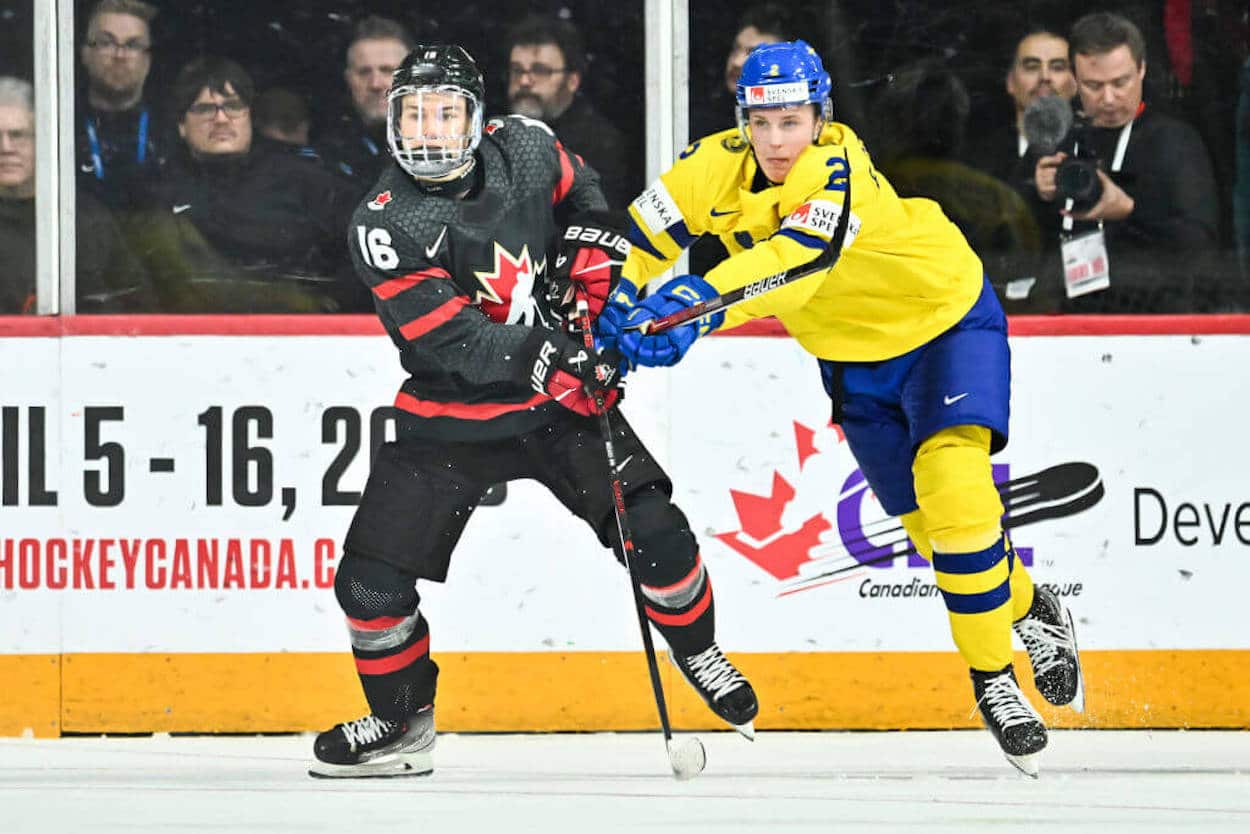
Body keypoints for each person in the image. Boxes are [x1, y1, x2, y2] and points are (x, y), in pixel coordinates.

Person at [596, 40, 1082, 777]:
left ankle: (995, 683)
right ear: (743, 120)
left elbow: (796, 264)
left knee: (957, 497)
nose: (776, 140)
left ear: (821, 117)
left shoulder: (837, 165)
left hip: (947, 322)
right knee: (935, 537)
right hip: (854, 358)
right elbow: (633, 238)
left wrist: (696, 305)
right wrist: (614, 304)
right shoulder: (711, 167)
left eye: (792, 120)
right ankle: (1029, 608)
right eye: (761, 122)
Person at [309, 44, 758, 778]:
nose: (428, 130)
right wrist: (556, 356)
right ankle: (399, 721)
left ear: (477, 119)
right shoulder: (383, 221)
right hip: (448, 411)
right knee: (367, 585)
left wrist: (591, 266)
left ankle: (699, 649)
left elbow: (587, 200)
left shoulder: (528, 146)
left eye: (444, 112)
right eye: (414, 113)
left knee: (657, 533)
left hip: (557, 408)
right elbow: (458, 339)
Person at [130, 57, 364, 312]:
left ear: (249, 116)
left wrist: (329, 305)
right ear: (181, 125)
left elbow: (370, 244)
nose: (221, 119)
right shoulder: (156, 193)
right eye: (205, 108)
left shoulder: (303, 179)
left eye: (233, 106)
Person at [1031, 12, 1219, 312]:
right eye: (1093, 85)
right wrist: (1037, 192)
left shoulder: (1175, 141)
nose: (1108, 98)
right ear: (1074, 79)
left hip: (1153, 310)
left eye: (1121, 82)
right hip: (1066, 308)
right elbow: (1014, 236)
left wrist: (1130, 211)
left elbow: (1201, 245)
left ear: (1142, 69)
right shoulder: (1060, 139)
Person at [0, 76, 152, 314]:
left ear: (42, 140)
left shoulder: (84, 217)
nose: (6, 148)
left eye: (18, 135)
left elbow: (138, 304)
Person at [504, 14, 635, 207]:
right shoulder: (495, 132)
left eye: (540, 70)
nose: (524, 81)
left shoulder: (598, 142)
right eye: (517, 70)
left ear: (572, 81)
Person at [77, 0, 165, 211]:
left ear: (148, 60)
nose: (120, 55)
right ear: (85, 54)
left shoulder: (172, 129)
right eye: (106, 43)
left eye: (133, 45)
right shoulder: (58, 123)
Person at [320, 15, 415, 191]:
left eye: (388, 71)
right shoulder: (325, 159)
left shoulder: (457, 153)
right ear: (349, 79)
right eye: (364, 72)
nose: (375, 84)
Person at [689, 4, 793, 140]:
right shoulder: (706, 124)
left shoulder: (802, 127)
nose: (737, 62)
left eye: (754, 54)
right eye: (735, 49)